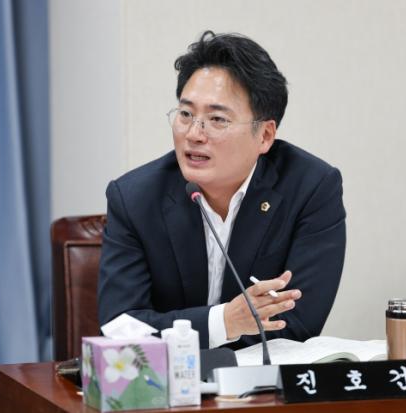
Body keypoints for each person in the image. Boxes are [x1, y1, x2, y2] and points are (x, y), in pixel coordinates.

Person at [98, 30, 346, 350]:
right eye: (186, 114)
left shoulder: (310, 189)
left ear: (265, 136)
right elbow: (120, 328)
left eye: (217, 119)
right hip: (168, 380)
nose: (194, 134)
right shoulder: (134, 198)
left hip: (261, 379)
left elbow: (297, 324)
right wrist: (224, 322)